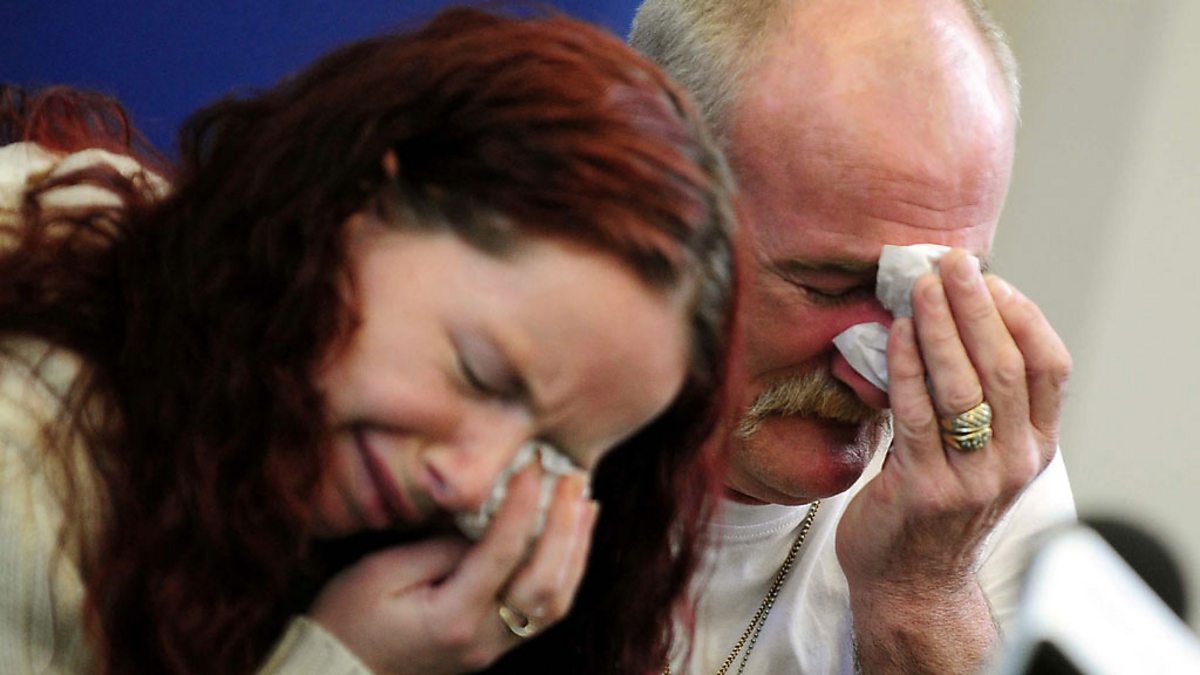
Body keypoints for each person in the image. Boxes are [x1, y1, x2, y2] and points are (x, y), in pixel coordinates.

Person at [0, 7, 739, 674]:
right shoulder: (22, 458)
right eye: (480, 373)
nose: (473, 484)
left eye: (546, 459)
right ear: (356, 202)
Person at [631, 0, 1077, 672]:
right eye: (831, 287)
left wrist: (923, 592)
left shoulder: (974, 475)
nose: (877, 373)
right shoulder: (500, 393)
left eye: (936, 294)